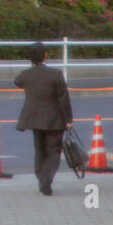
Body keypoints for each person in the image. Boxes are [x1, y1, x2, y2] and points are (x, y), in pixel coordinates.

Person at [15, 41, 73, 196]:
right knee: (53, 151)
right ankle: (46, 180)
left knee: (39, 150)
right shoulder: (55, 74)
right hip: (55, 119)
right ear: (45, 56)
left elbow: (17, 82)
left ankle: (41, 177)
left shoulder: (26, 75)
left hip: (34, 119)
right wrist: (68, 119)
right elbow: (64, 98)